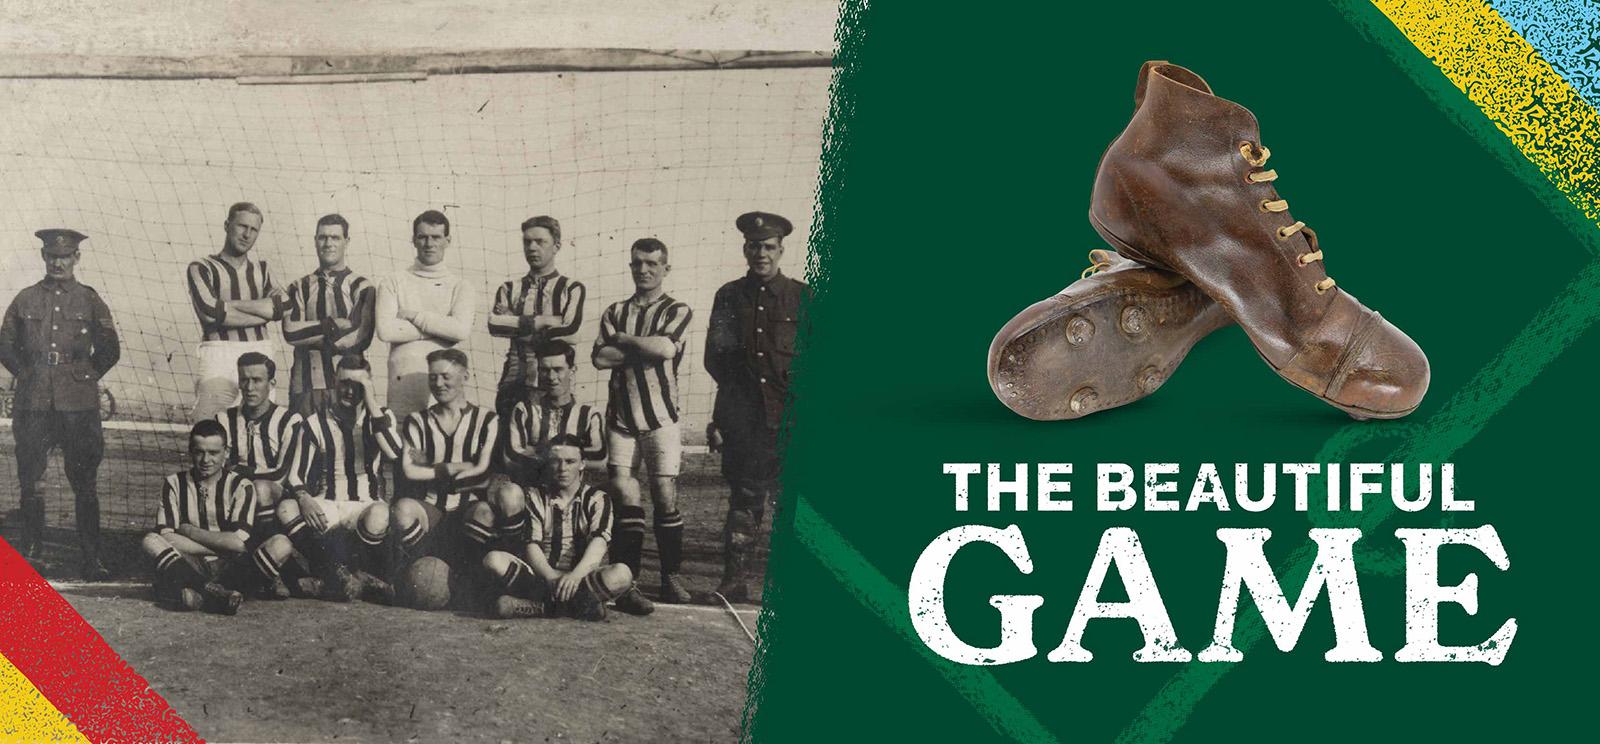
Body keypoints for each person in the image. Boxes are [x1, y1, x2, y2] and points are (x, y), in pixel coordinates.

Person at [0, 229, 121, 578]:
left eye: (65, 256)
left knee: (84, 481)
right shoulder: (25, 299)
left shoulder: (89, 300)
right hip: (34, 402)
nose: (58, 262)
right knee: (31, 479)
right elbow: (4, 343)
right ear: (43, 257)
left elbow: (110, 348)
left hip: (78, 405)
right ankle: (31, 551)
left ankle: (91, 557)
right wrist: (25, 373)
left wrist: (84, 377)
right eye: (52, 255)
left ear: (76, 259)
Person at [704, 211, 809, 602]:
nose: (761, 253)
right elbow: (716, 359)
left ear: (781, 250)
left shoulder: (804, 297)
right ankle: (734, 580)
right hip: (745, 420)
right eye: (754, 246)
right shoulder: (729, 296)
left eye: (768, 247)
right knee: (745, 502)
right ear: (745, 249)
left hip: (792, 420)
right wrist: (726, 415)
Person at [592, 237, 695, 613]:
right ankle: (628, 580)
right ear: (631, 266)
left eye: (652, 263)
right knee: (625, 494)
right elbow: (601, 359)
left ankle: (670, 576)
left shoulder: (677, 309)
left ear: (665, 268)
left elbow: (667, 349)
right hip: (620, 421)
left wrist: (626, 341)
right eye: (637, 263)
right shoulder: (614, 310)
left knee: (665, 497)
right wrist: (642, 345)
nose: (644, 270)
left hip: (661, 420)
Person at [280, 355, 404, 601]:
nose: (350, 391)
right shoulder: (315, 423)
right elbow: (295, 475)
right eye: (344, 383)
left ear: (368, 386)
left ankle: (351, 576)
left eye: (358, 385)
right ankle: (335, 574)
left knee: (380, 515)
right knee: (286, 508)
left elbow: (393, 452)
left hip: (366, 505)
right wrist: (304, 498)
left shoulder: (381, 417)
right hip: (329, 502)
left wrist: (370, 400)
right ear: (334, 382)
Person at [480, 435, 636, 620]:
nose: (563, 469)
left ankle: (543, 607)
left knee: (623, 574)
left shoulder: (598, 498)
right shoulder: (535, 496)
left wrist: (575, 576)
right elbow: (532, 544)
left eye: (570, 462)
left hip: (581, 578)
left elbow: (599, 543)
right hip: (541, 577)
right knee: (493, 560)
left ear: (582, 464)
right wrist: (551, 577)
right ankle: (578, 606)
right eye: (556, 462)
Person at [389, 349, 498, 592]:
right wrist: (454, 467)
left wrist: (433, 470)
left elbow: (483, 474)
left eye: (446, 376)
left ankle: (466, 583)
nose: (438, 384)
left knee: (484, 512)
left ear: (465, 376)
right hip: (431, 510)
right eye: (433, 377)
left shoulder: (487, 420)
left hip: (467, 512)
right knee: (403, 509)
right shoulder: (417, 420)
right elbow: (409, 471)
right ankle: (418, 575)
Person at [137, 420, 252, 615]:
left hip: (226, 567)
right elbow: (167, 536)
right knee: (150, 540)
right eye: (200, 452)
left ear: (226, 451)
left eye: (214, 453)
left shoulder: (241, 485)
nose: (206, 460)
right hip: (188, 561)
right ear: (191, 451)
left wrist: (190, 531)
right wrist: (219, 545)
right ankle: (211, 592)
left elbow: (238, 543)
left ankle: (195, 593)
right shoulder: (174, 483)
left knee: (182, 596)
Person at [186, 202, 287, 420]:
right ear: (227, 225)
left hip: (260, 350)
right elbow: (210, 313)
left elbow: (282, 307)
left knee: (260, 425)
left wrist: (229, 306)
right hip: (218, 353)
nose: (247, 234)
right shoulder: (202, 267)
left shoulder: (263, 269)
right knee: (211, 425)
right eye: (242, 226)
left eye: (253, 230)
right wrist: (262, 312)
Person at [375, 210, 477, 421]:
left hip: (444, 380)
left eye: (436, 237)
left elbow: (460, 330)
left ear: (447, 240)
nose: (429, 243)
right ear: (413, 240)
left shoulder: (461, 286)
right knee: (407, 445)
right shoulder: (393, 281)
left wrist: (414, 316)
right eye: (422, 237)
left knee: (442, 441)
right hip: (403, 381)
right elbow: (385, 331)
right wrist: (439, 330)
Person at [487, 215, 585, 417]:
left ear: (556, 246)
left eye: (540, 242)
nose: (532, 248)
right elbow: (494, 325)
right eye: (527, 242)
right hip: (513, 384)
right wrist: (546, 321)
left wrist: (515, 323)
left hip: (553, 385)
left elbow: (571, 332)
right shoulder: (509, 288)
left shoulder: (571, 287)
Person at [281, 213, 376, 417]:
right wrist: (335, 325)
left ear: (346, 241)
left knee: (347, 447)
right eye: (323, 237)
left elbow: (360, 337)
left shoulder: (363, 287)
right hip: (304, 386)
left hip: (349, 387)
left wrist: (310, 334)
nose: (328, 243)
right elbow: (290, 332)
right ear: (315, 241)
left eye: (335, 237)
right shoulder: (298, 287)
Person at [214, 352, 304, 533]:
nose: (249, 387)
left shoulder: (290, 420)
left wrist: (239, 471)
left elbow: (281, 473)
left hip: (274, 494)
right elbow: (219, 468)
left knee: (260, 488)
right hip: (236, 490)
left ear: (271, 384)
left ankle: (265, 542)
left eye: (257, 380)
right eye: (244, 380)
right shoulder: (224, 418)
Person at [500, 339, 605, 484]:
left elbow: (600, 458)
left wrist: (537, 451)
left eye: (558, 369)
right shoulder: (523, 409)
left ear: (572, 370)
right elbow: (511, 457)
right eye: (545, 370)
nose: (551, 377)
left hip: (573, 493)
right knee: (509, 494)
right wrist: (571, 456)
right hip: (534, 487)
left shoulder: (589, 414)